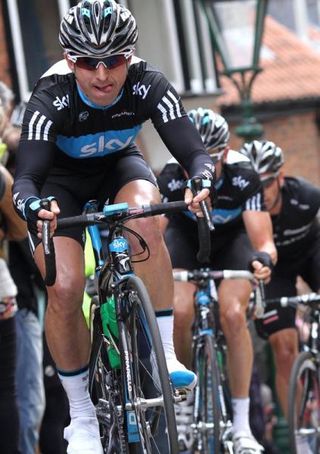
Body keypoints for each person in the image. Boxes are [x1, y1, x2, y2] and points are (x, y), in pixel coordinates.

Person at [12, 1, 216, 453]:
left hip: (119, 168)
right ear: (70, 60)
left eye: (115, 60)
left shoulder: (150, 83)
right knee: (64, 288)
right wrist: (30, 204)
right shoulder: (51, 96)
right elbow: (26, 177)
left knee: (148, 218)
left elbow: (194, 153)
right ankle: (81, 419)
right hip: (58, 183)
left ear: (132, 55)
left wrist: (200, 178)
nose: (102, 75)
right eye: (88, 62)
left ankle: (162, 351)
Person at [157, 108, 277, 453]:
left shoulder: (244, 176)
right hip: (185, 238)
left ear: (224, 154)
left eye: (210, 160)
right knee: (178, 309)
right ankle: (181, 404)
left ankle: (241, 426)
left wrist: (264, 259)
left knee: (234, 314)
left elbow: (262, 239)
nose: (195, 170)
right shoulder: (169, 178)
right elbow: (155, 237)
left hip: (231, 243)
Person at [240, 139, 320, 454]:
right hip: (275, 272)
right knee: (284, 347)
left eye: (267, 182)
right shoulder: (241, 209)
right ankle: (301, 438)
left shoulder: (307, 197)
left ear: (281, 179)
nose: (261, 191)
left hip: (312, 254)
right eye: (254, 184)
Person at [0, 81, 46, 454]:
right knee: (19, 398)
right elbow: (18, 228)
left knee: (26, 400)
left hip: (25, 293)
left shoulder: (17, 152)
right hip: (16, 294)